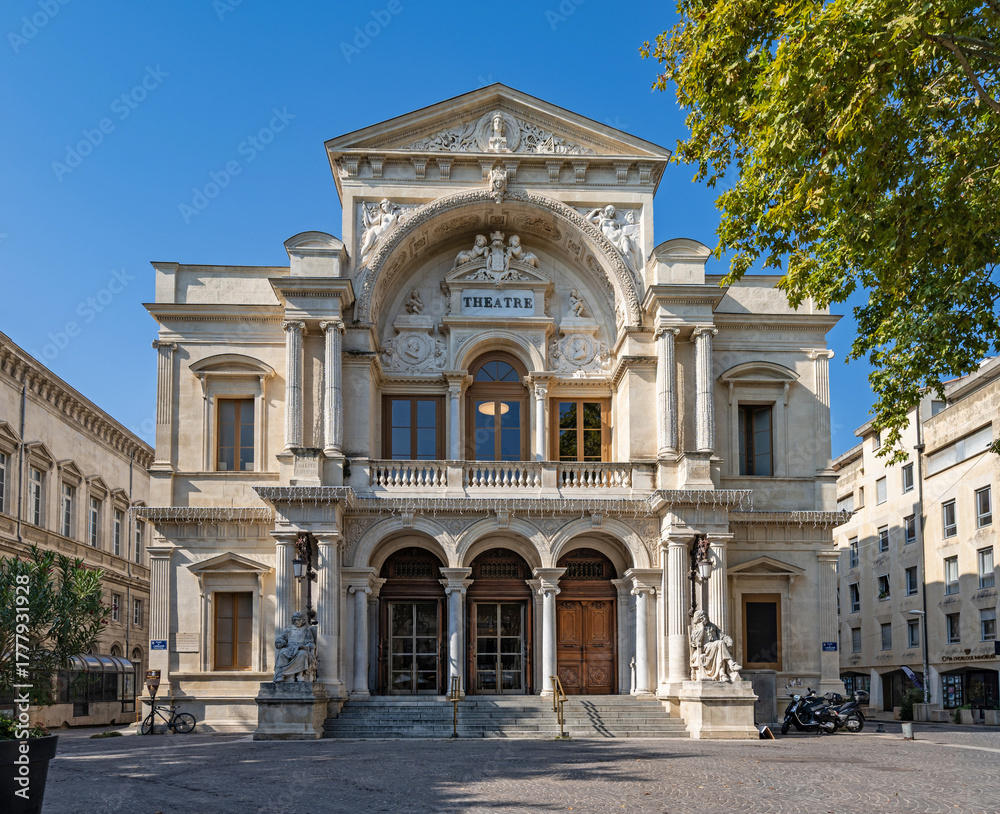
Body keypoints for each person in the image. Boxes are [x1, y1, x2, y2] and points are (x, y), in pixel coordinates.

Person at [689, 610, 742, 683]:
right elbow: (696, 642)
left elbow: (722, 636)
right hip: (705, 648)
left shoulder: (713, 626)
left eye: (705, 616)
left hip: (716, 646)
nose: (704, 618)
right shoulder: (696, 628)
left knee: (720, 645)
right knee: (720, 643)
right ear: (699, 619)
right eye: (702, 617)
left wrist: (728, 640)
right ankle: (731, 664)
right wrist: (702, 628)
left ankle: (722, 674)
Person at [273, 611, 317, 683]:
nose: (296, 621)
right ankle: (281, 675)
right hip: (289, 648)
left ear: (302, 620)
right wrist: (281, 642)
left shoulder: (306, 630)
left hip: (300, 648)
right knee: (282, 653)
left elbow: (310, 642)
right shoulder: (288, 630)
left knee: (302, 654)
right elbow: (281, 638)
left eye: (298, 620)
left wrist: (305, 646)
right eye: (295, 620)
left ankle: (299, 675)